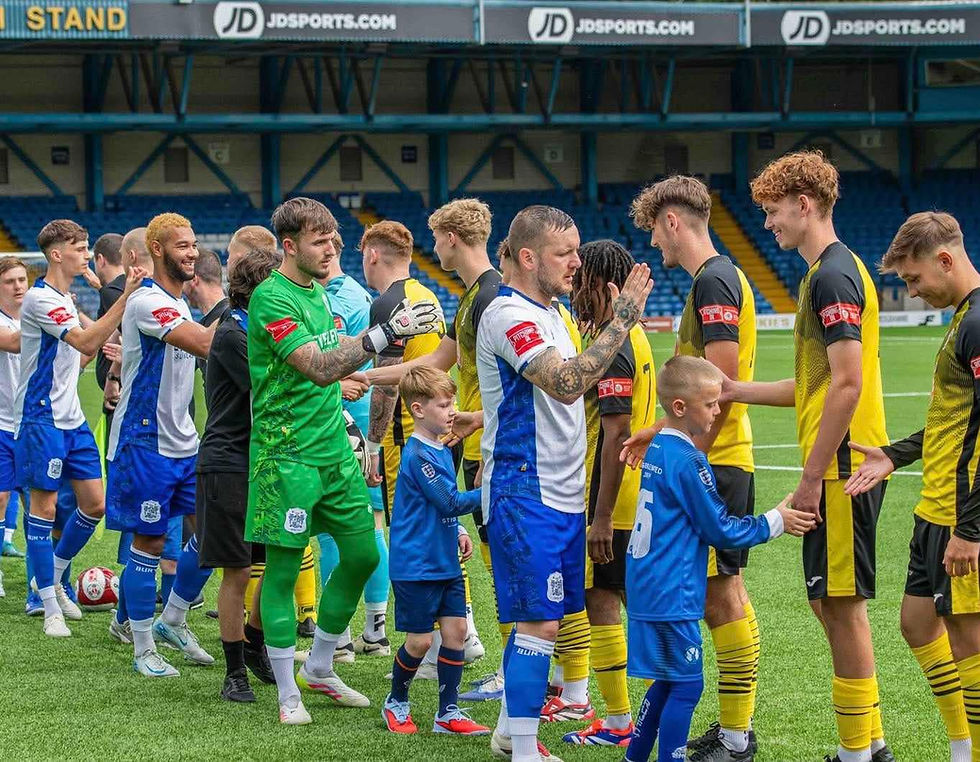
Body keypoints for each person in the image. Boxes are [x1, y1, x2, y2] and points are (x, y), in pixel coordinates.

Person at [722, 151, 893, 762]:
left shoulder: (832, 276)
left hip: (845, 466)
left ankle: (859, 754)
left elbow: (846, 386)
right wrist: (740, 390)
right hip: (842, 461)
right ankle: (868, 744)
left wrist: (810, 479)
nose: (767, 224)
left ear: (805, 204)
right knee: (829, 602)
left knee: (840, 608)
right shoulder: (826, 273)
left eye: (771, 212)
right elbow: (820, 384)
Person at [244, 197, 441, 725]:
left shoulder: (323, 295)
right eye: (319, 240)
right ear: (289, 247)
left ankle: (322, 665)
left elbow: (339, 364)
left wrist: (374, 354)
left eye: (334, 237)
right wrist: (382, 336)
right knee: (284, 569)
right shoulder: (271, 298)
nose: (332, 248)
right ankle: (288, 691)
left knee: (362, 555)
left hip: (334, 451)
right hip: (286, 458)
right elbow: (316, 366)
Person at [476, 205, 652, 762]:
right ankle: (524, 750)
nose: (578, 262)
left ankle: (510, 731)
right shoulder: (508, 314)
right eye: (565, 253)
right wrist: (622, 320)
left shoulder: (554, 311)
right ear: (528, 257)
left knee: (544, 621)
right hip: (525, 489)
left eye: (577, 251)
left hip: (561, 491)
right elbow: (566, 383)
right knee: (540, 622)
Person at [624, 176, 762, 760]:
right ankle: (733, 729)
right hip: (712, 456)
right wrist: (659, 433)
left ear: (674, 222)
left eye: (656, 231)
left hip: (718, 459)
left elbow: (717, 385)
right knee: (717, 594)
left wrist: (686, 459)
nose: (656, 244)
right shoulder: (713, 279)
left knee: (723, 595)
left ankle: (735, 735)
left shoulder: (714, 280)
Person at [623, 355, 814, 762]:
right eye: (711, 404)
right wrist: (775, 521)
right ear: (680, 407)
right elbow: (720, 529)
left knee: (666, 681)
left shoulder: (658, 448)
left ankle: (634, 756)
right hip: (671, 591)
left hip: (647, 584)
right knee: (688, 686)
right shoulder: (689, 460)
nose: (717, 411)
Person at [845, 212, 980, 762]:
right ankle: (959, 743)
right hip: (936, 507)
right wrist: (893, 455)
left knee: (969, 640)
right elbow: (956, 417)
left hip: (961, 513)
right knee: (918, 622)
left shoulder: (978, 323)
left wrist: (971, 529)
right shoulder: (963, 318)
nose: (912, 291)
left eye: (914, 278)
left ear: (944, 260)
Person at [365, 198, 500, 680]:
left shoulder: (488, 299)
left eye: (437, 239)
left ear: (450, 239)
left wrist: (487, 424)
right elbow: (432, 366)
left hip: (457, 437)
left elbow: (515, 382)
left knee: (473, 547)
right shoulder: (462, 298)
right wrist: (370, 377)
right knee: (460, 538)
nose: (434, 248)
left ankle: (487, 653)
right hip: (459, 430)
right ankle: (461, 635)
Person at [16, 219, 145, 638]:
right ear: (57, 254)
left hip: (70, 418)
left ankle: (48, 579)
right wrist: (125, 297)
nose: (86, 255)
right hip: (41, 418)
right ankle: (50, 605)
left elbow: (83, 349)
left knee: (94, 505)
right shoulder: (40, 300)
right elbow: (86, 343)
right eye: (79, 248)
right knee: (45, 508)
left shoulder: (65, 300)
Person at [105, 213, 217, 677]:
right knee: (150, 541)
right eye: (183, 245)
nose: (193, 252)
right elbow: (208, 345)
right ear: (156, 249)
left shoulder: (177, 301)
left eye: (194, 245)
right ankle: (143, 646)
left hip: (184, 440)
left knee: (211, 533)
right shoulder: (148, 302)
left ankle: (172, 618)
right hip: (144, 442)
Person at [558, 240, 656, 747]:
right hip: (628, 493)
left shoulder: (615, 344)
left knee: (602, 601)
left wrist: (599, 518)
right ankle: (624, 717)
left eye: (582, 280)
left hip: (611, 498)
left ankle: (619, 721)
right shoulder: (625, 337)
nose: (575, 289)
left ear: (603, 284)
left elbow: (616, 432)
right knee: (614, 599)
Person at [381, 365, 490, 737]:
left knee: (457, 632)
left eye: (452, 403)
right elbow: (447, 500)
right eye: (444, 405)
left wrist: (457, 529)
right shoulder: (418, 455)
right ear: (417, 409)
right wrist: (492, 491)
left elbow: (432, 505)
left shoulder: (441, 446)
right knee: (420, 641)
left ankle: (448, 712)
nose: (452, 412)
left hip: (443, 560)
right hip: (416, 564)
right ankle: (396, 701)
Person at [197, 245, 280, 701]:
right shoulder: (231, 334)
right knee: (239, 570)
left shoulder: (257, 329)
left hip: (263, 461)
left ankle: (254, 641)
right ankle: (234, 671)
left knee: (277, 559)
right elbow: (271, 387)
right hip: (229, 463)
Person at [316, 230, 387, 658]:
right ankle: (375, 628)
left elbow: (330, 361)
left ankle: (337, 636)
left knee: (329, 528)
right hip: (365, 423)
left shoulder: (333, 301)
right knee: (371, 521)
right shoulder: (360, 295)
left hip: (344, 423)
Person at [0, 257, 27, 560]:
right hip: (1, 422)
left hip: (30, 423)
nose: (18, 286)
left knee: (36, 499)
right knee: (1, 494)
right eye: (10, 281)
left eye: (22, 280)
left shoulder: (30, 318)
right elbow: (13, 342)